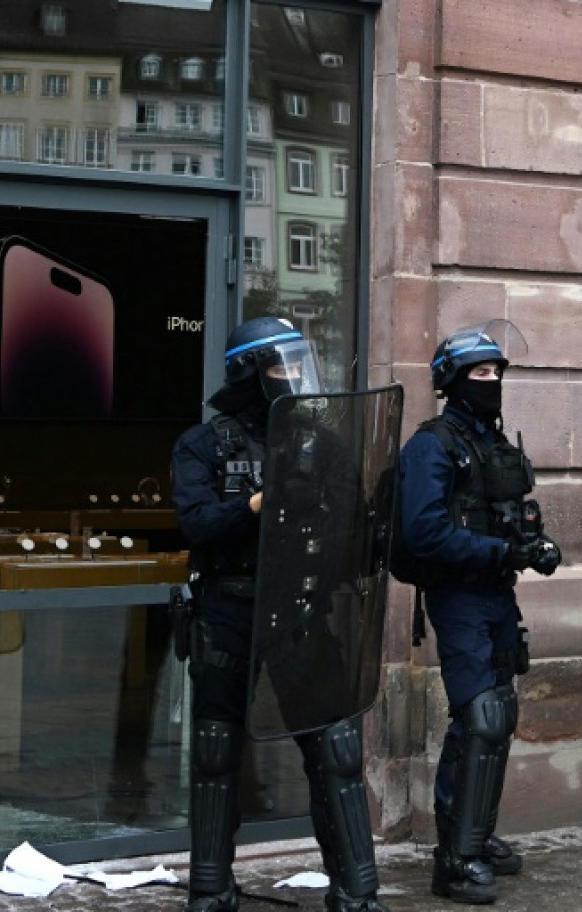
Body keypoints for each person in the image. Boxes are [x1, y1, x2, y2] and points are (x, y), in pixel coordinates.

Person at [171, 316, 391, 912]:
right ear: (248, 374)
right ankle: (212, 890)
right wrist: (255, 504)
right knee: (217, 753)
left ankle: (357, 893)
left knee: (335, 748)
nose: (294, 379)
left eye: (299, 365)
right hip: (229, 611)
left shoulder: (321, 445)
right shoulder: (204, 445)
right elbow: (197, 525)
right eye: (280, 368)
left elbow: (356, 525)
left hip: (300, 614)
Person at [396, 321, 561, 904]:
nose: (490, 383)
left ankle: (476, 835)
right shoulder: (431, 445)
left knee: (498, 716)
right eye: (479, 374)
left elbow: (511, 517)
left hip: (496, 594)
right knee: (479, 717)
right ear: (453, 381)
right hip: (458, 596)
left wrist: (533, 548)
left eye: (495, 373)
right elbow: (422, 533)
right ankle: (454, 859)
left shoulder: (492, 445)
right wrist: (500, 550)